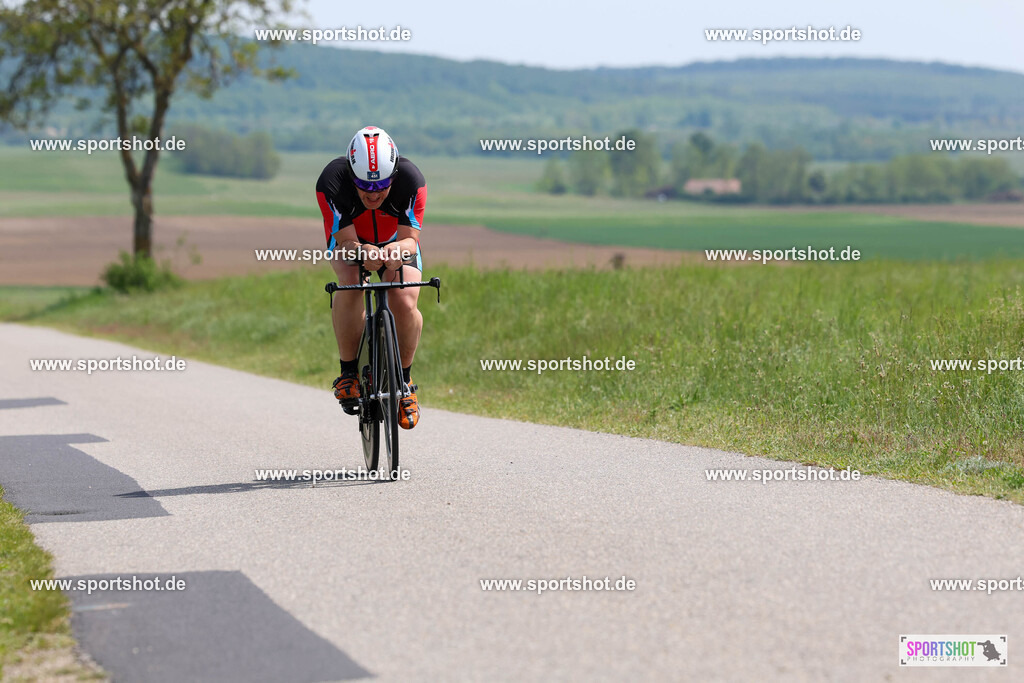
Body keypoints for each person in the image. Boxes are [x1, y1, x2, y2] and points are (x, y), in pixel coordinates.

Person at [315, 126, 427, 429]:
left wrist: (393, 250)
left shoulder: (412, 180)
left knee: (404, 297)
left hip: (397, 241)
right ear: (351, 174)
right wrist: (363, 250)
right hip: (350, 241)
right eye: (364, 186)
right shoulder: (331, 181)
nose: (373, 194)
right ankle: (348, 373)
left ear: (395, 175)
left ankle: (404, 383)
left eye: (382, 186)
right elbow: (345, 241)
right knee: (351, 283)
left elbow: (410, 239)